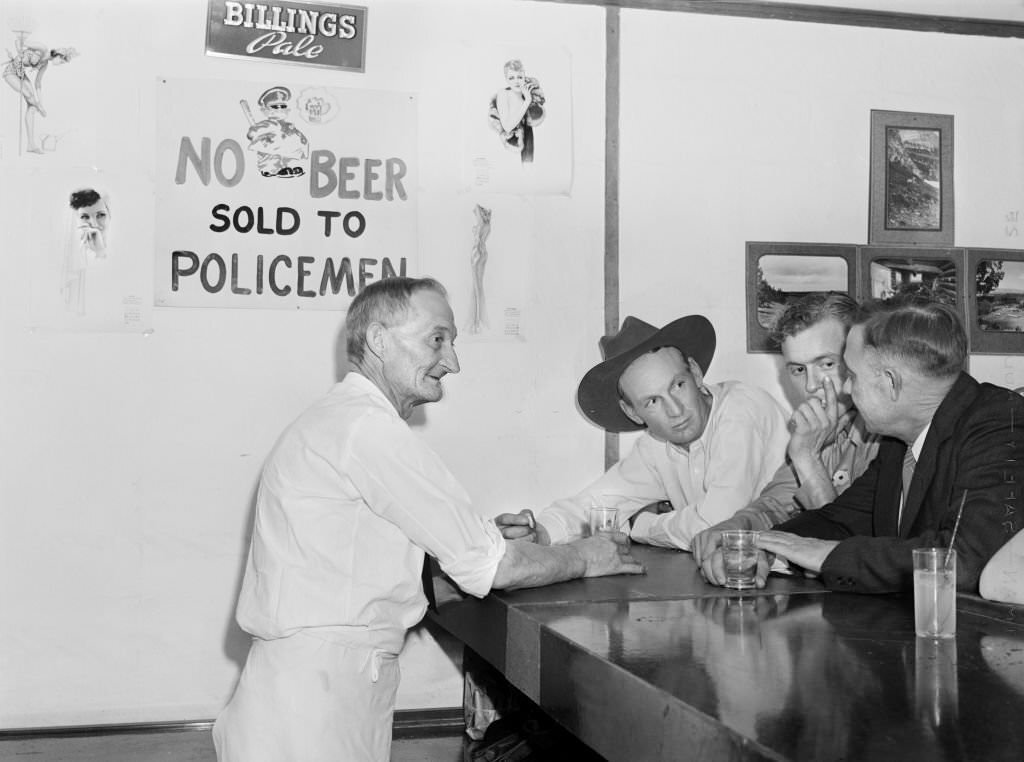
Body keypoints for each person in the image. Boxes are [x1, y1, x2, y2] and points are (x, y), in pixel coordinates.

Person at [212, 276, 642, 762]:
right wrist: (583, 556)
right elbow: (490, 568)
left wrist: (480, 538)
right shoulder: (367, 429)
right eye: (437, 339)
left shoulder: (345, 420)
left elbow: (364, 545)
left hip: (308, 685)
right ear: (377, 340)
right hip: (321, 697)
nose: (453, 361)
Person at [753, 297, 1024, 593]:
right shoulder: (899, 440)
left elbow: (960, 563)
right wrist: (764, 546)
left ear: (891, 383)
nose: (845, 387)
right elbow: (842, 520)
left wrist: (830, 556)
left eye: (852, 376)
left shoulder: (1001, 425)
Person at [497, 314, 790, 551]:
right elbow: (597, 503)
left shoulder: (742, 409)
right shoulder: (656, 446)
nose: (676, 410)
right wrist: (541, 533)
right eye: (652, 401)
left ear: (696, 374)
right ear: (633, 413)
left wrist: (642, 525)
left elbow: (717, 526)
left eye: (677, 385)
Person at [692, 293, 880, 584]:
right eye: (798, 370)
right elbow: (774, 506)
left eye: (827, 364)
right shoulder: (821, 426)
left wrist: (807, 459)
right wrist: (734, 530)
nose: (811, 385)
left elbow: (849, 550)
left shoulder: (887, 435)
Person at [2, 33, 77, 154]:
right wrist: (19, 54)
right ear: (58, 55)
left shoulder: (44, 64)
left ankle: (31, 145)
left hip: (21, 75)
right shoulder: (42, 48)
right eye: (62, 62)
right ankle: (38, 108)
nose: (61, 65)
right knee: (28, 94)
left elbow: (38, 84)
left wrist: (40, 103)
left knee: (32, 107)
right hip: (11, 71)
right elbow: (18, 41)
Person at [62, 188, 111, 315]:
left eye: (101, 215)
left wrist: (100, 251)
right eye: (85, 217)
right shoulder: (74, 255)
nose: (94, 224)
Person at [488, 59, 545, 163]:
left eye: (519, 77)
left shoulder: (528, 92)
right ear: (506, 79)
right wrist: (527, 101)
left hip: (527, 145)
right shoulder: (504, 94)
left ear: (524, 76)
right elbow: (508, 127)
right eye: (511, 78)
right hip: (510, 147)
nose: (516, 81)